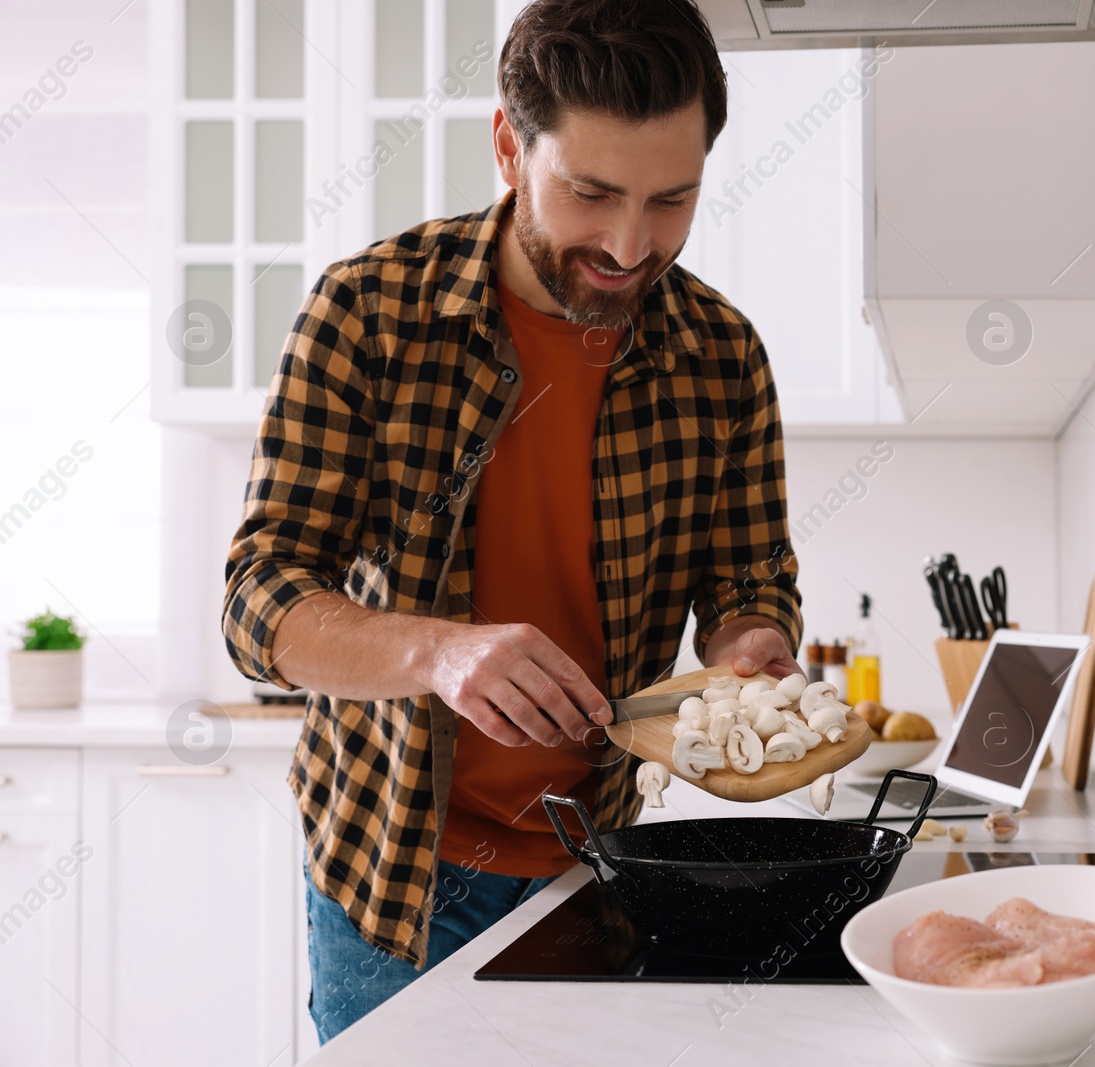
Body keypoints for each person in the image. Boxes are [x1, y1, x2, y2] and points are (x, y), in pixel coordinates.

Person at [220, 0, 802, 1041]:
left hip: (596, 871)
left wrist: (751, 644)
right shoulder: (366, 313)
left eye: (672, 200)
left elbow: (749, 584)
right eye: (591, 194)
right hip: (390, 884)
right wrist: (439, 652)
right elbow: (259, 602)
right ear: (507, 145)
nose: (630, 245)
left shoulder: (723, 357)